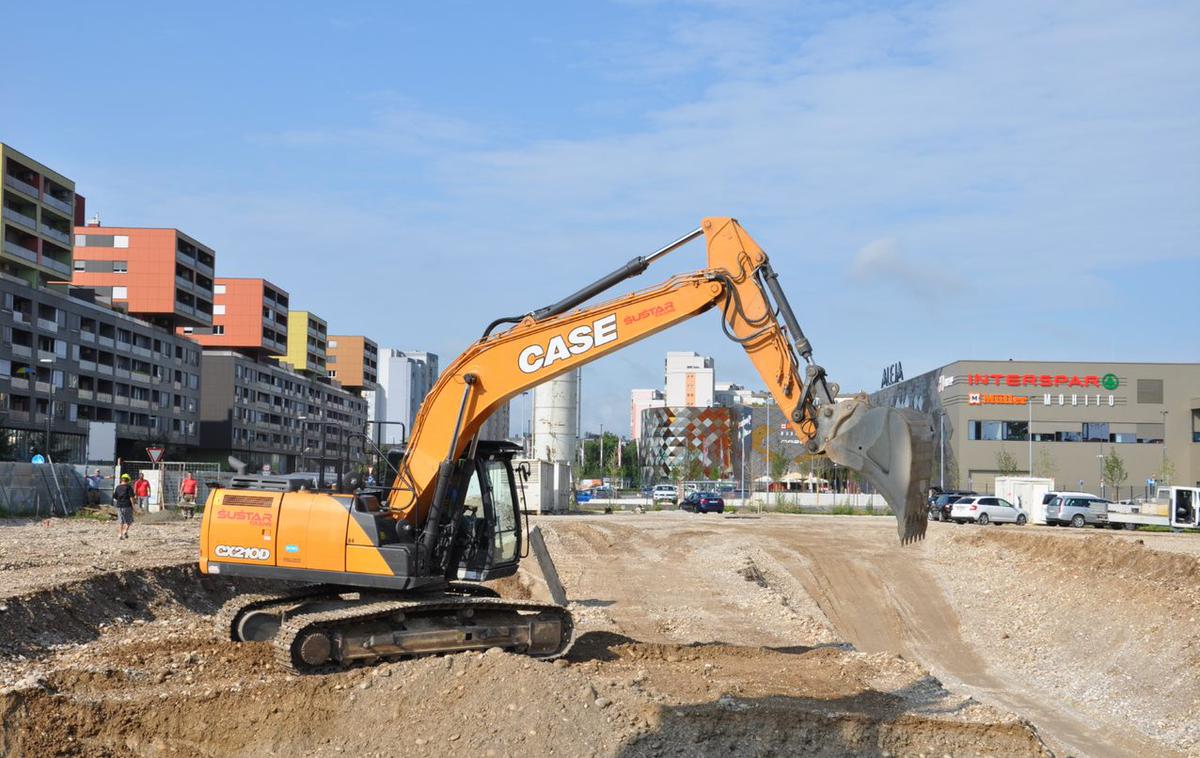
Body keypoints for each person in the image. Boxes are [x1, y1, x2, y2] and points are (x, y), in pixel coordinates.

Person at [112, 474, 136, 540]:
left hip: (119, 505)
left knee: (120, 521)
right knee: (129, 520)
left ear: (122, 479)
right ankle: (125, 531)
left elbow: (115, 496)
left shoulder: (117, 487)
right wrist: (133, 506)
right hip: (127, 505)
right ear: (128, 480)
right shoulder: (129, 487)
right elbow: (131, 497)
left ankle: (120, 534)